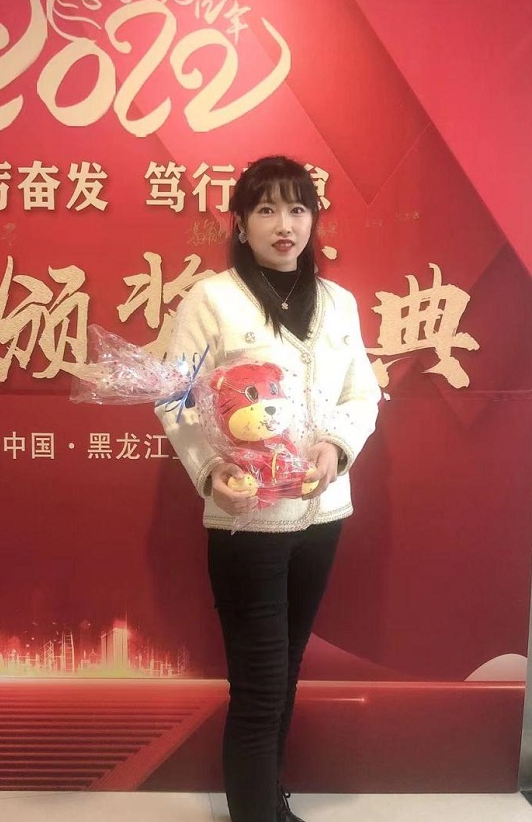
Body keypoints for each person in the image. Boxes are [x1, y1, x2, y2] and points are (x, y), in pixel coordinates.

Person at [156, 155, 380, 822]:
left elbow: (362, 393)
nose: (284, 225)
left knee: (285, 674)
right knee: (258, 687)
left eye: (297, 209)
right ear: (241, 223)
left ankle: (270, 803)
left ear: (313, 220)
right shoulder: (212, 299)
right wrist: (209, 469)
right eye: (266, 209)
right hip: (246, 522)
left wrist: (333, 446)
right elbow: (174, 396)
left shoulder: (338, 303)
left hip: (322, 514)